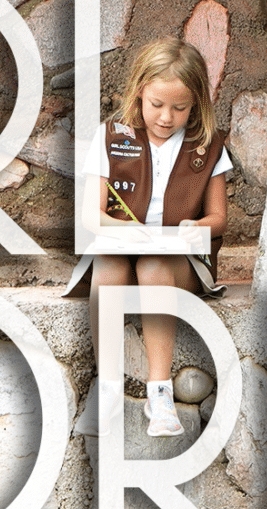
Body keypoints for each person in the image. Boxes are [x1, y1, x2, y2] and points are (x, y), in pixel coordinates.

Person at [65, 38, 234, 438]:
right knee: (107, 266)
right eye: (157, 104)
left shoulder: (207, 146)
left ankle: (160, 396)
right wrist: (132, 231)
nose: (166, 117)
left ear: (196, 104)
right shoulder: (111, 136)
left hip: (179, 261)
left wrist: (197, 229)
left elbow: (219, 218)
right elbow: (92, 215)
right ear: (140, 90)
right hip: (121, 248)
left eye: (180, 108)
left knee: (154, 265)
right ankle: (105, 390)